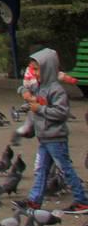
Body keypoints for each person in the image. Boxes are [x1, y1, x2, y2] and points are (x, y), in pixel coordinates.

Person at [20, 48, 88, 213]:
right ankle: (34, 201)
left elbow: (61, 113)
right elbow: (23, 89)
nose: (33, 73)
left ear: (48, 69)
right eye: (32, 69)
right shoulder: (39, 87)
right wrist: (26, 94)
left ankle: (82, 200)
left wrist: (39, 109)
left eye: (36, 69)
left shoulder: (56, 90)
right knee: (41, 170)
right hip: (44, 137)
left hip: (56, 137)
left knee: (65, 169)